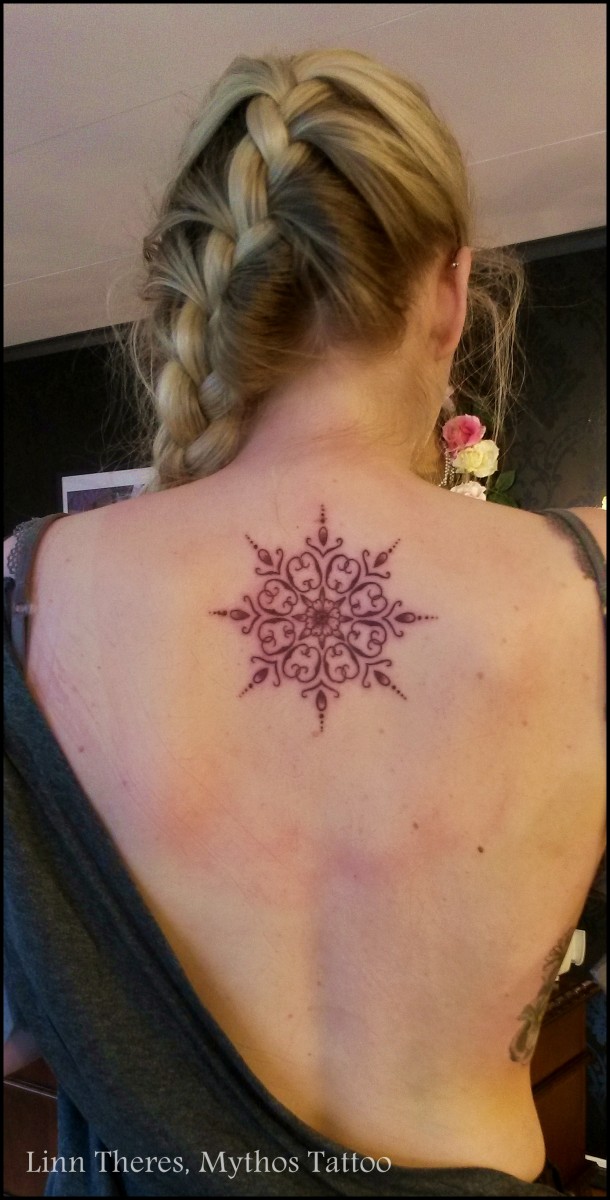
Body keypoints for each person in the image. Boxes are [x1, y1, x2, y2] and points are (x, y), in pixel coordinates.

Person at [4, 48, 605, 1197]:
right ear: (451, 291)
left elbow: (18, 1031)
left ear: (205, 300)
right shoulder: (588, 581)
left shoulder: (33, 588)